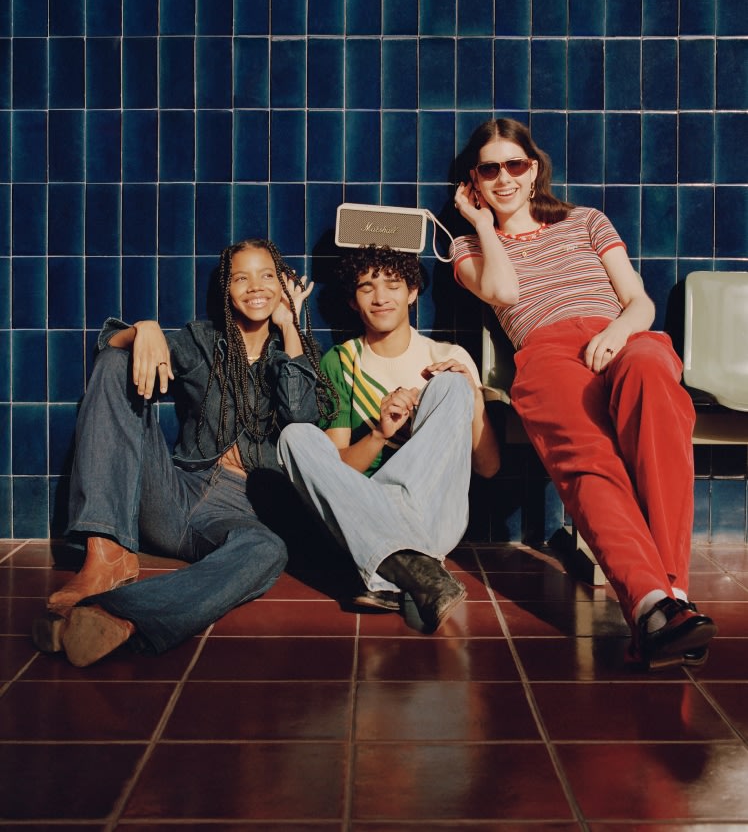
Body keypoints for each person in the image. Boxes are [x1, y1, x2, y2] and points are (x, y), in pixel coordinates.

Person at [451, 117, 717, 669]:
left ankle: (671, 597)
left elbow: (638, 300)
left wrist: (617, 332)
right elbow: (503, 291)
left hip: (621, 335)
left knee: (656, 390)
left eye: (514, 165)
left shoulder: (586, 220)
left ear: (534, 169)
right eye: (489, 169)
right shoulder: (466, 248)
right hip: (546, 353)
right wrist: (481, 222)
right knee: (588, 460)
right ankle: (655, 605)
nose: (504, 178)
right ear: (474, 180)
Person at [32, 238, 337, 667]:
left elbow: (302, 414)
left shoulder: (294, 353)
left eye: (268, 275)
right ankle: (107, 555)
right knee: (118, 361)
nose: (256, 287)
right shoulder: (202, 341)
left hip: (243, 512)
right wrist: (145, 328)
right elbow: (109, 347)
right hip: (173, 493)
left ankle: (123, 614)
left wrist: (290, 326)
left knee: (267, 551)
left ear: (283, 285)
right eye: (241, 277)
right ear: (226, 290)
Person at [277, 245, 501, 633]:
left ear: (413, 292)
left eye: (393, 285)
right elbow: (335, 472)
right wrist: (381, 432)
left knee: (450, 384)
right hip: (367, 509)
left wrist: (472, 396)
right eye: (367, 287)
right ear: (352, 300)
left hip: (434, 512)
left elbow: (488, 467)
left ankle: (391, 569)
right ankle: (418, 573)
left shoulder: (447, 355)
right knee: (295, 437)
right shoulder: (341, 361)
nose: (381, 298)